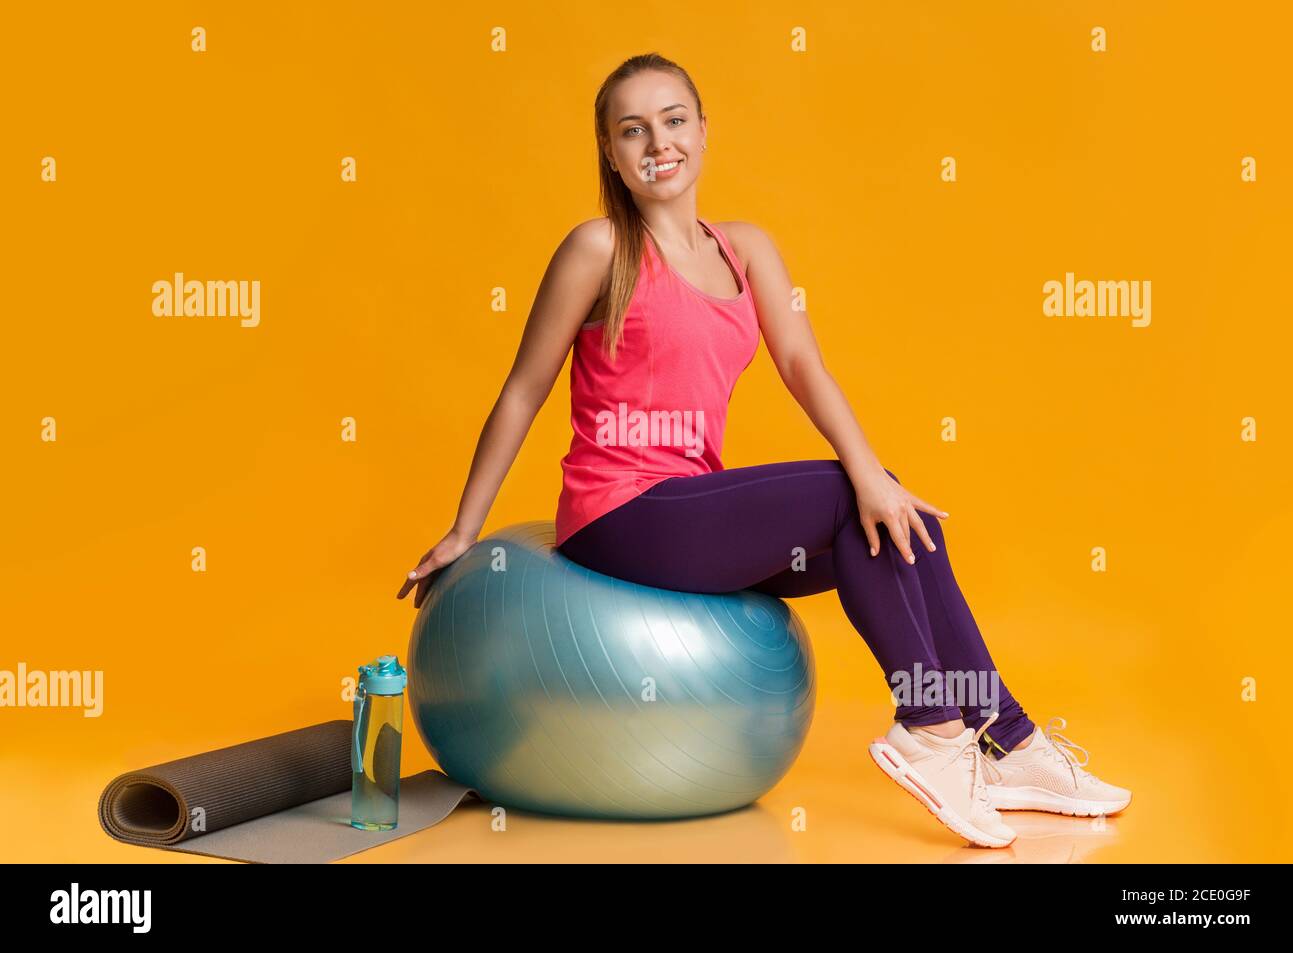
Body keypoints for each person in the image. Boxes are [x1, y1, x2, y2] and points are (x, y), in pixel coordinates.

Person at [396, 52, 1130, 848]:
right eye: (632, 130)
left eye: (674, 121)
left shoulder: (746, 249)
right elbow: (522, 389)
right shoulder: (598, 249)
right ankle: (934, 729)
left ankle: (1009, 740)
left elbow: (803, 365)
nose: (658, 144)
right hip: (619, 516)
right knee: (860, 492)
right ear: (609, 151)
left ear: (704, 132)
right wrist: (465, 529)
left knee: (898, 521)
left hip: (691, 514)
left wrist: (879, 478)